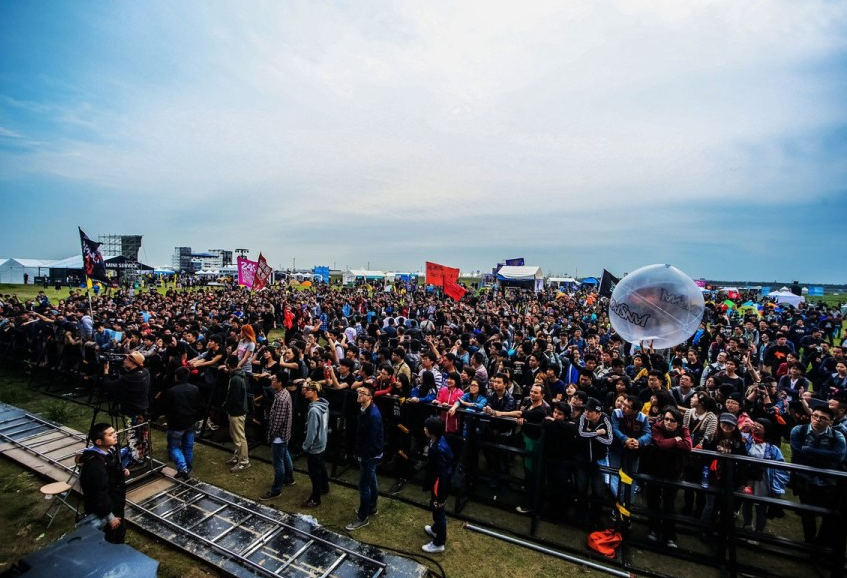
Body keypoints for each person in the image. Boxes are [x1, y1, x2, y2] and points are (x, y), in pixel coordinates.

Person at [789, 405, 847, 547]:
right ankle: (809, 542)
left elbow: (839, 457)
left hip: (829, 482)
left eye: (823, 418)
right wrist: (825, 458)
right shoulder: (799, 431)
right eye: (815, 416)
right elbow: (796, 453)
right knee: (806, 513)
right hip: (805, 479)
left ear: (831, 422)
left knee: (830, 514)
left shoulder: (838, 436)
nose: (817, 420)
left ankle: (821, 543)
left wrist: (808, 450)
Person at [642, 406, 692, 549]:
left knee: (669, 504)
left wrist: (672, 441)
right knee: (653, 500)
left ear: (679, 423)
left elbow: (688, 446)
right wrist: (675, 440)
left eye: (672, 420)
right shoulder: (657, 427)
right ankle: (653, 529)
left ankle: (669, 535)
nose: (668, 423)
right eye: (666, 419)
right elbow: (660, 443)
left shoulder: (683, 430)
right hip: (655, 469)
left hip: (673, 472)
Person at [79, 423, 129, 544]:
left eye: (114, 432)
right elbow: (98, 493)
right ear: (99, 442)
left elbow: (109, 473)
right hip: (107, 509)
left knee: (119, 531)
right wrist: (110, 517)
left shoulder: (107, 453)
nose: (115, 435)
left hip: (115, 502)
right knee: (110, 537)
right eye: (111, 434)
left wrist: (120, 472)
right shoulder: (95, 464)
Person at [346, 385, 384, 531]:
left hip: (369, 455)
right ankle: (372, 507)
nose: (359, 394)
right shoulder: (365, 410)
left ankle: (363, 517)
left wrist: (363, 456)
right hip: (369, 453)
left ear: (370, 397)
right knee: (371, 480)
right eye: (359, 392)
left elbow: (371, 439)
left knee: (364, 486)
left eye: (363, 393)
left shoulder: (373, 415)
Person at [103, 351, 151, 465]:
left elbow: (108, 386)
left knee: (133, 435)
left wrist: (106, 372)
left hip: (131, 411)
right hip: (143, 409)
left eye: (127, 360)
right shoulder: (145, 372)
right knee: (142, 435)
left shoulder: (128, 379)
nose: (124, 361)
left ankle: (136, 459)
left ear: (133, 363)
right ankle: (142, 455)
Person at [422, 415, 453, 554]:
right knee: (435, 510)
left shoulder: (438, 449)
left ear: (432, 431)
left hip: (439, 485)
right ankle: (435, 529)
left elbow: (443, 475)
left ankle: (439, 542)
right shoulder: (437, 441)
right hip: (436, 481)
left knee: (439, 510)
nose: (424, 429)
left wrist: (440, 496)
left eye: (426, 427)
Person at [261, 371, 295, 500]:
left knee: (278, 463)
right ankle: (289, 478)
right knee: (285, 456)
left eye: (274, 380)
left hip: (279, 436)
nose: (272, 381)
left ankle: (276, 489)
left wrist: (271, 435)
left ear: (280, 383)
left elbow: (278, 421)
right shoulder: (284, 393)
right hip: (284, 434)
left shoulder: (281, 398)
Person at [163, 366, 200, 479]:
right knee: (188, 447)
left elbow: (168, 409)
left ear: (177, 376)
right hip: (190, 422)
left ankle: (183, 468)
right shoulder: (194, 389)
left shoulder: (172, 391)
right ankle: (186, 469)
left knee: (173, 447)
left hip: (176, 424)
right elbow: (198, 405)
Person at [301, 381, 330, 508]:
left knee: (314, 473)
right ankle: (325, 487)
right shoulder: (324, 405)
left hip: (315, 446)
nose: (305, 391)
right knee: (321, 468)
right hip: (323, 441)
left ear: (314, 392)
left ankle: (315, 498)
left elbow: (311, 432)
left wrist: (306, 447)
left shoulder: (313, 410)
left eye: (307, 389)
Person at [224, 354, 250, 472]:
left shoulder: (235, 379)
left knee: (239, 438)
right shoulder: (237, 376)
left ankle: (244, 461)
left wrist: (227, 406)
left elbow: (233, 397)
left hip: (237, 411)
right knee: (235, 436)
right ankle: (237, 456)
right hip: (236, 410)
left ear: (228, 364)